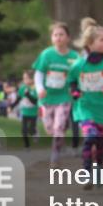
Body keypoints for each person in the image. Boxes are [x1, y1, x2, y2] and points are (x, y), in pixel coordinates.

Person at [66, 24, 103, 187]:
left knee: (100, 143)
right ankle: (86, 173)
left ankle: (98, 171)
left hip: (102, 109)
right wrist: (75, 91)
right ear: (90, 43)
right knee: (90, 137)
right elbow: (71, 81)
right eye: (102, 39)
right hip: (84, 107)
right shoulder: (79, 65)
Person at [33, 22, 79, 165]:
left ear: (68, 38)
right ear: (52, 38)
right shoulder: (47, 54)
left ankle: (55, 155)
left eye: (61, 34)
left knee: (59, 126)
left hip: (64, 97)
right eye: (55, 35)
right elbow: (38, 73)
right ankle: (60, 142)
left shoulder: (74, 57)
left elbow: (78, 76)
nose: (58, 37)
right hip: (47, 97)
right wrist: (40, 88)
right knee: (50, 128)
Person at [18, 70, 40, 148]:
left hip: (33, 113)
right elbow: (19, 97)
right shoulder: (23, 88)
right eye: (23, 78)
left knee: (31, 129)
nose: (24, 80)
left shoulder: (36, 88)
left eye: (26, 78)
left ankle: (35, 132)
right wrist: (11, 105)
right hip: (24, 112)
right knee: (24, 130)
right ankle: (27, 146)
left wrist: (28, 95)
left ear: (32, 79)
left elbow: (35, 102)